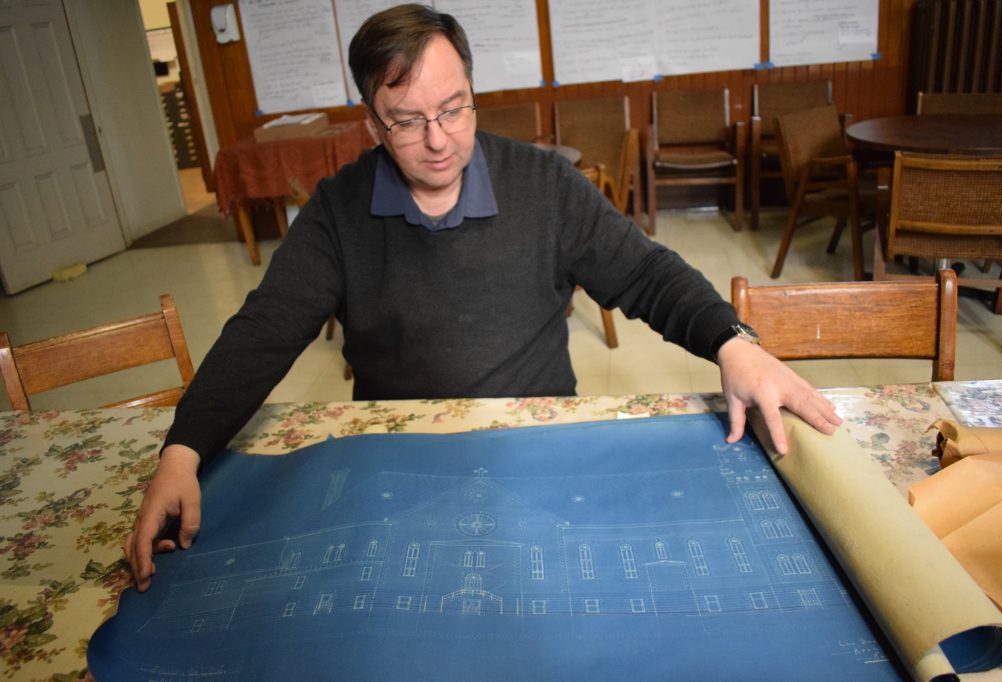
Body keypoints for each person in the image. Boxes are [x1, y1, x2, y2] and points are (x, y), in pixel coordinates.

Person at [124, 4, 841, 592]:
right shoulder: (338, 211)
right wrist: (183, 451)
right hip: (402, 462)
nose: (438, 141)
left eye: (454, 108)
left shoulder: (544, 184)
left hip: (541, 445)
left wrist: (733, 343)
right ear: (372, 124)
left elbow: (648, 274)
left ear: (472, 91)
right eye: (407, 121)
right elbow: (264, 332)